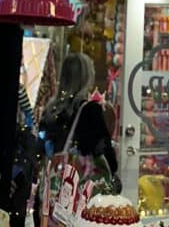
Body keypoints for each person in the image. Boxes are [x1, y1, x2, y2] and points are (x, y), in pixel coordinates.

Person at [40, 53, 118, 181]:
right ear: (87, 78)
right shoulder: (90, 111)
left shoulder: (50, 109)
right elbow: (105, 155)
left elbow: (41, 148)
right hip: (77, 184)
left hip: (52, 182)